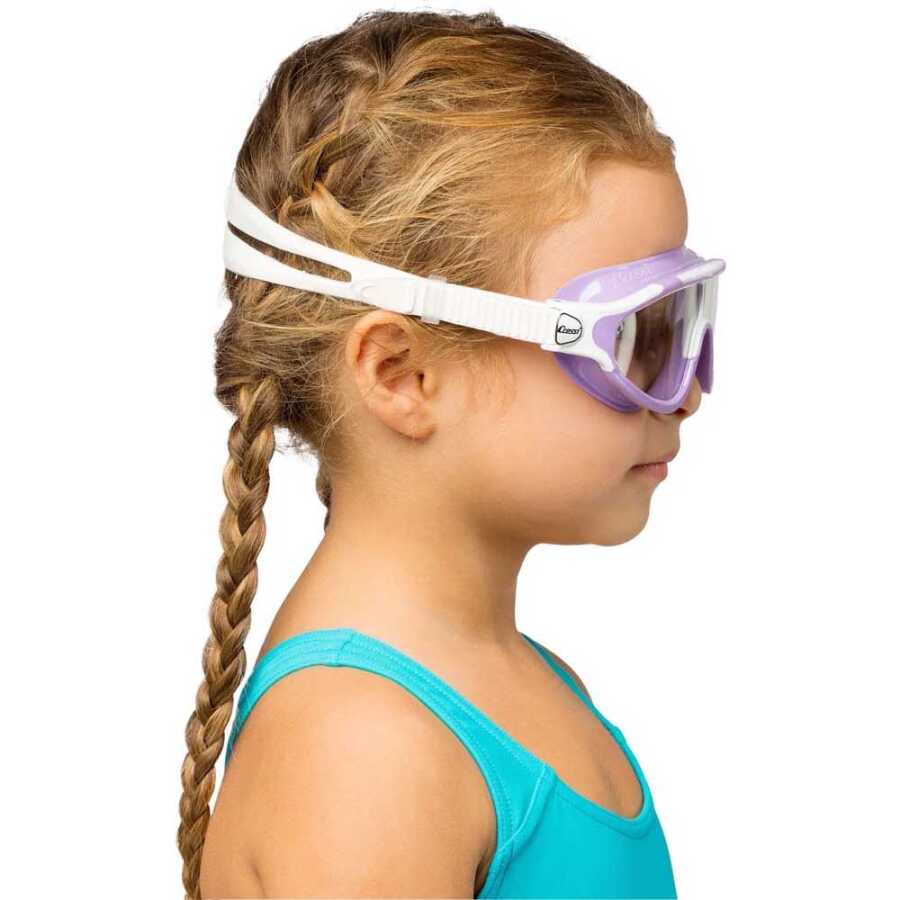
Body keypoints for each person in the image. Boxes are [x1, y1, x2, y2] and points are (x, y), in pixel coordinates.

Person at [177, 10, 724, 898]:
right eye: (638, 337)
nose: (688, 392)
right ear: (402, 373)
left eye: (686, 325)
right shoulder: (364, 745)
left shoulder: (518, 683)